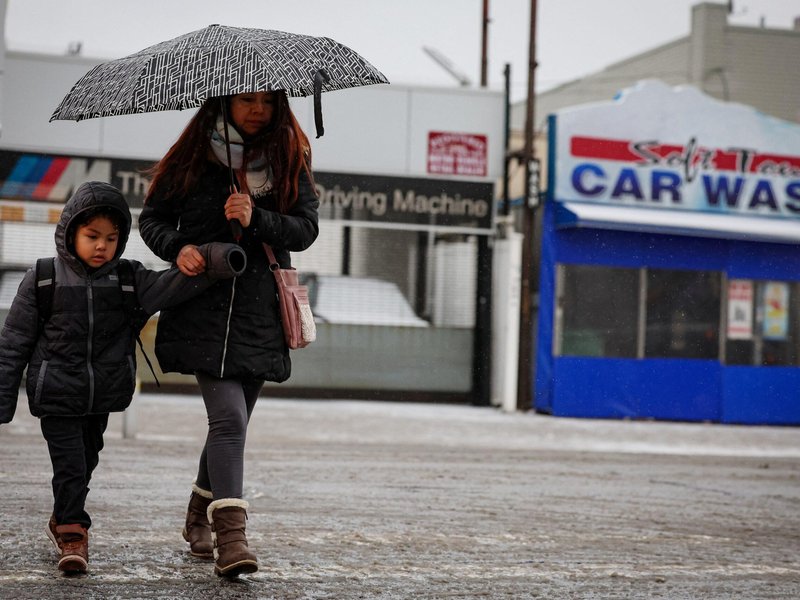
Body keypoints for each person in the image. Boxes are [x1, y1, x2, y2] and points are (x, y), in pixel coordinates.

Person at [0, 181, 243, 575]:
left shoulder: (129, 280)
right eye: (92, 236)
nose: (102, 246)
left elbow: (172, 287)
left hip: (103, 396)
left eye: (111, 238)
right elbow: (12, 344)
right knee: (71, 467)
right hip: (57, 395)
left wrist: (213, 260)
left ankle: (64, 516)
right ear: (69, 233)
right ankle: (72, 532)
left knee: (86, 460)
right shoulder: (44, 279)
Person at [138, 90, 319, 577]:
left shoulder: (286, 158)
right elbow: (152, 220)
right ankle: (232, 539)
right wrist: (179, 248)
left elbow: (305, 230)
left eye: (266, 101)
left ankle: (198, 516)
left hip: (261, 315)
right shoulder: (193, 156)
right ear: (223, 102)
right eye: (246, 100)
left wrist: (255, 217)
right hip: (203, 308)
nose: (257, 109)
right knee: (229, 422)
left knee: (231, 425)